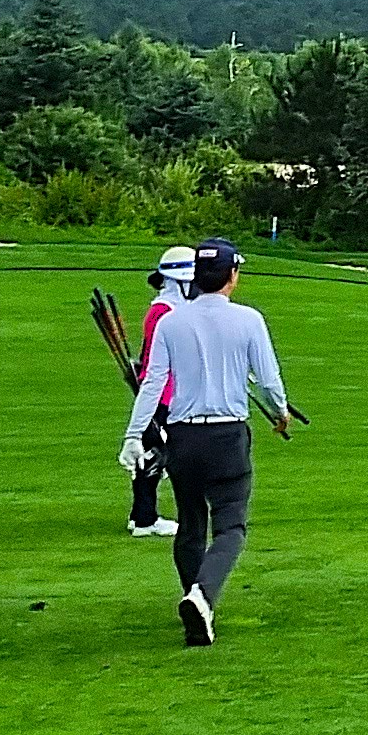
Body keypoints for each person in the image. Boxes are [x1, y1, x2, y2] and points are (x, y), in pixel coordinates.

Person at [121, 239, 297, 646]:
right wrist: (280, 412)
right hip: (227, 434)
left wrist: (133, 434)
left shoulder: (171, 322)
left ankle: (195, 604)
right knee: (231, 525)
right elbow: (268, 381)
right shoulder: (249, 319)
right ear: (232, 276)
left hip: (182, 436)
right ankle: (202, 595)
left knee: (190, 524)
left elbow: (152, 383)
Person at [123, 248, 198, 537]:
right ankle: (144, 520)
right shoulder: (163, 311)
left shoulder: (174, 309)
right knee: (154, 454)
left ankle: (141, 516)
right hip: (162, 395)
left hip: (171, 393)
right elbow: (157, 363)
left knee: (155, 453)